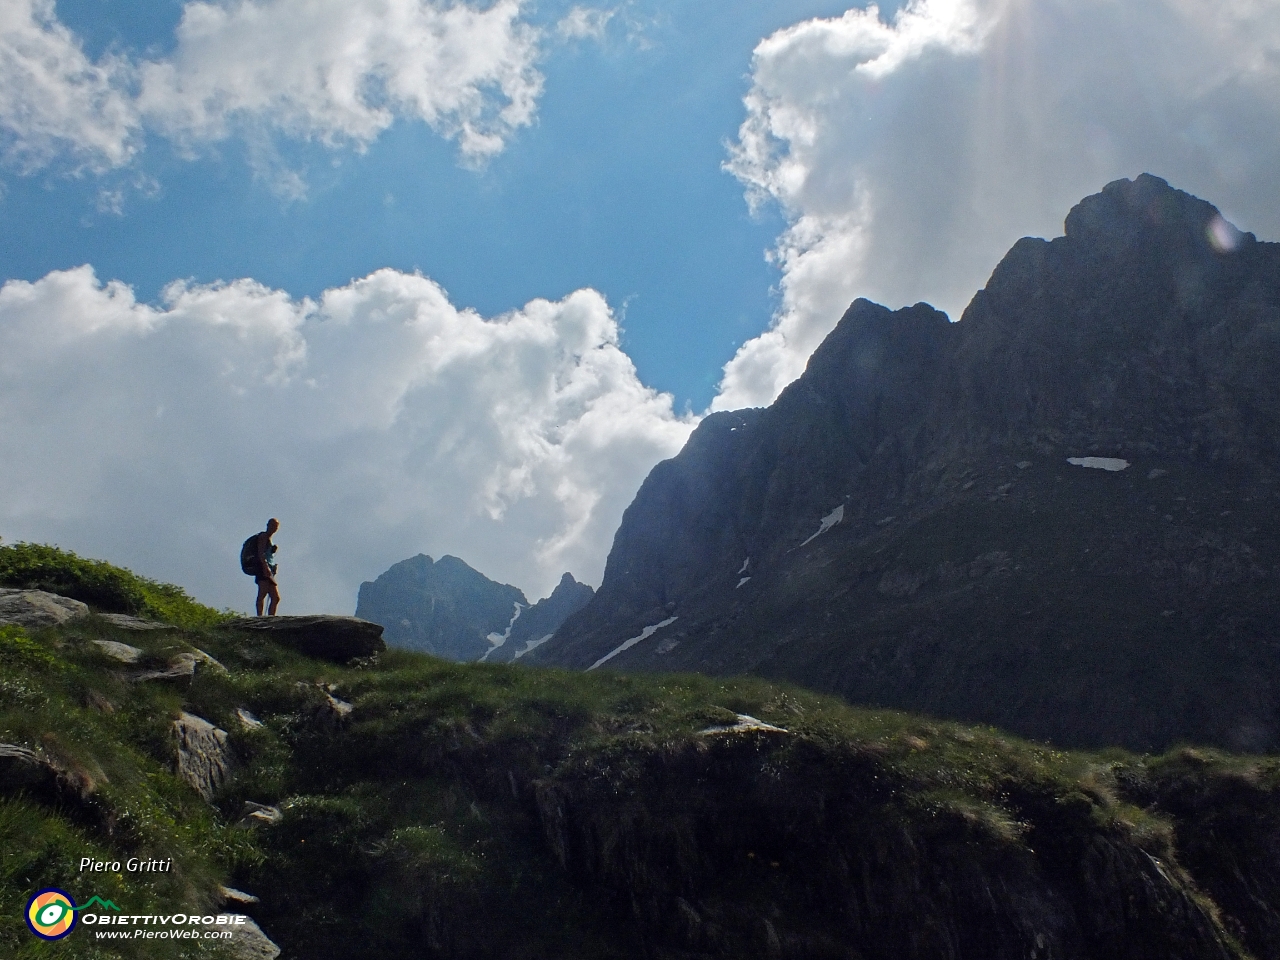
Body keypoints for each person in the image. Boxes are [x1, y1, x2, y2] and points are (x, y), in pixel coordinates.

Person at [254, 518, 281, 616]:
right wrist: (265, 567)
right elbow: (260, 553)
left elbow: (268, 555)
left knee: (275, 597)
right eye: (273, 525)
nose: (274, 528)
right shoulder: (263, 536)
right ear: (268, 525)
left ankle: (270, 618)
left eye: (276, 526)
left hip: (269, 569)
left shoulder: (269, 539)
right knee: (262, 593)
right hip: (263, 568)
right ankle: (260, 617)